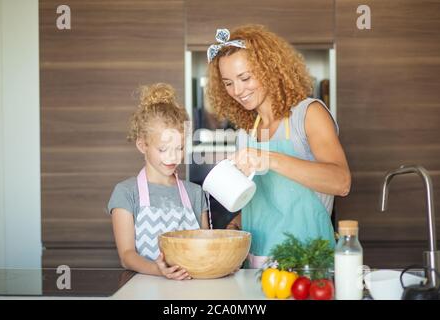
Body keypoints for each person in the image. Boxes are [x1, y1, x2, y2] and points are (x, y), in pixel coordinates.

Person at [205, 25, 351, 268]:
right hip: (257, 259)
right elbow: (264, 199)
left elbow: (341, 182)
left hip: (307, 261)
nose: (237, 91)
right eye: (228, 83)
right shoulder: (246, 131)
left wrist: (269, 158)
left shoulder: (307, 114)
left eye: (245, 77)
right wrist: (234, 225)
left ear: (269, 69)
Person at [107, 83, 210, 279]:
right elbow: (127, 256)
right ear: (142, 145)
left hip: (192, 290)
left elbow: (205, 247)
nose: (173, 157)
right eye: (163, 149)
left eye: (179, 148)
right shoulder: (126, 193)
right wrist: (159, 270)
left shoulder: (195, 193)